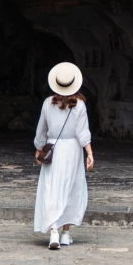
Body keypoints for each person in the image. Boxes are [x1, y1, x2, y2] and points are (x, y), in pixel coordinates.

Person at [33, 61, 94, 249]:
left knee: (52, 189)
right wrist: (89, 153)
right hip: (73, 150)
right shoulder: (80, 105)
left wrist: (38, 148)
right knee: (71, 189)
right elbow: (83, 132)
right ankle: (66, 233)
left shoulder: (47, 103)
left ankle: (53, 232)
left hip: (54, 148)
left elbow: (41, 130)